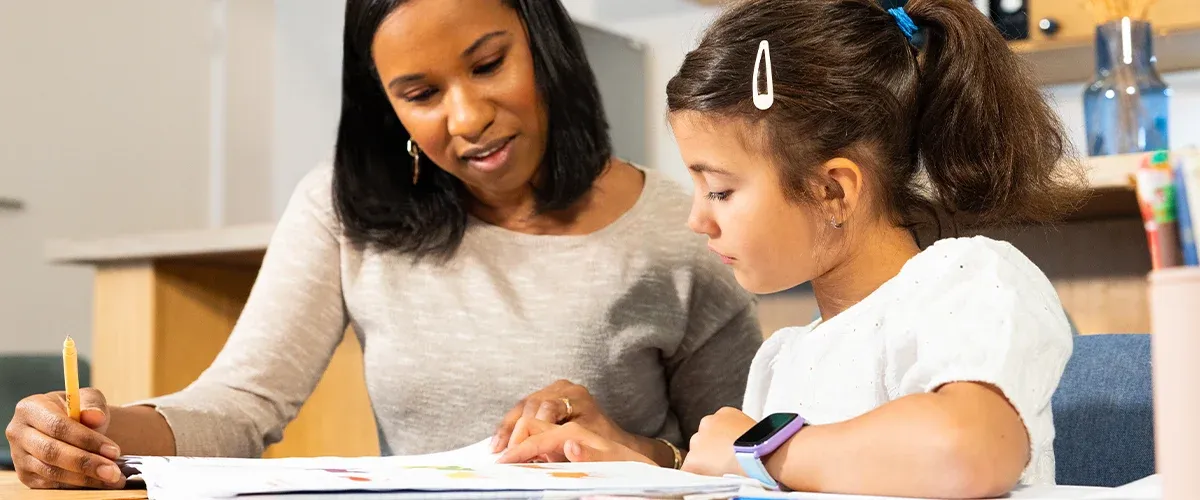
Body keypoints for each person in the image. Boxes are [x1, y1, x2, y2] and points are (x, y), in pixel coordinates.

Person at [4, 0, 762, 490]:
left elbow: (749, 462)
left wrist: (638, 450)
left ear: (546, 48)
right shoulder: (343, 210)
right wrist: (92, 436)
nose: (465, 118)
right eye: (421, 94)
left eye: (490, 63)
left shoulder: (683, 228)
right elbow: (240, 405)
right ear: (387, 105)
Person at [497, 0, 1088, 497]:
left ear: (832, 190)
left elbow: (967, 449)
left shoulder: (969, 281)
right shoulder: (785, 357)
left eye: (721, 190)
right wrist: (644, 461)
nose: (697, 218)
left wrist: (757, 448)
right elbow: (771, 469)